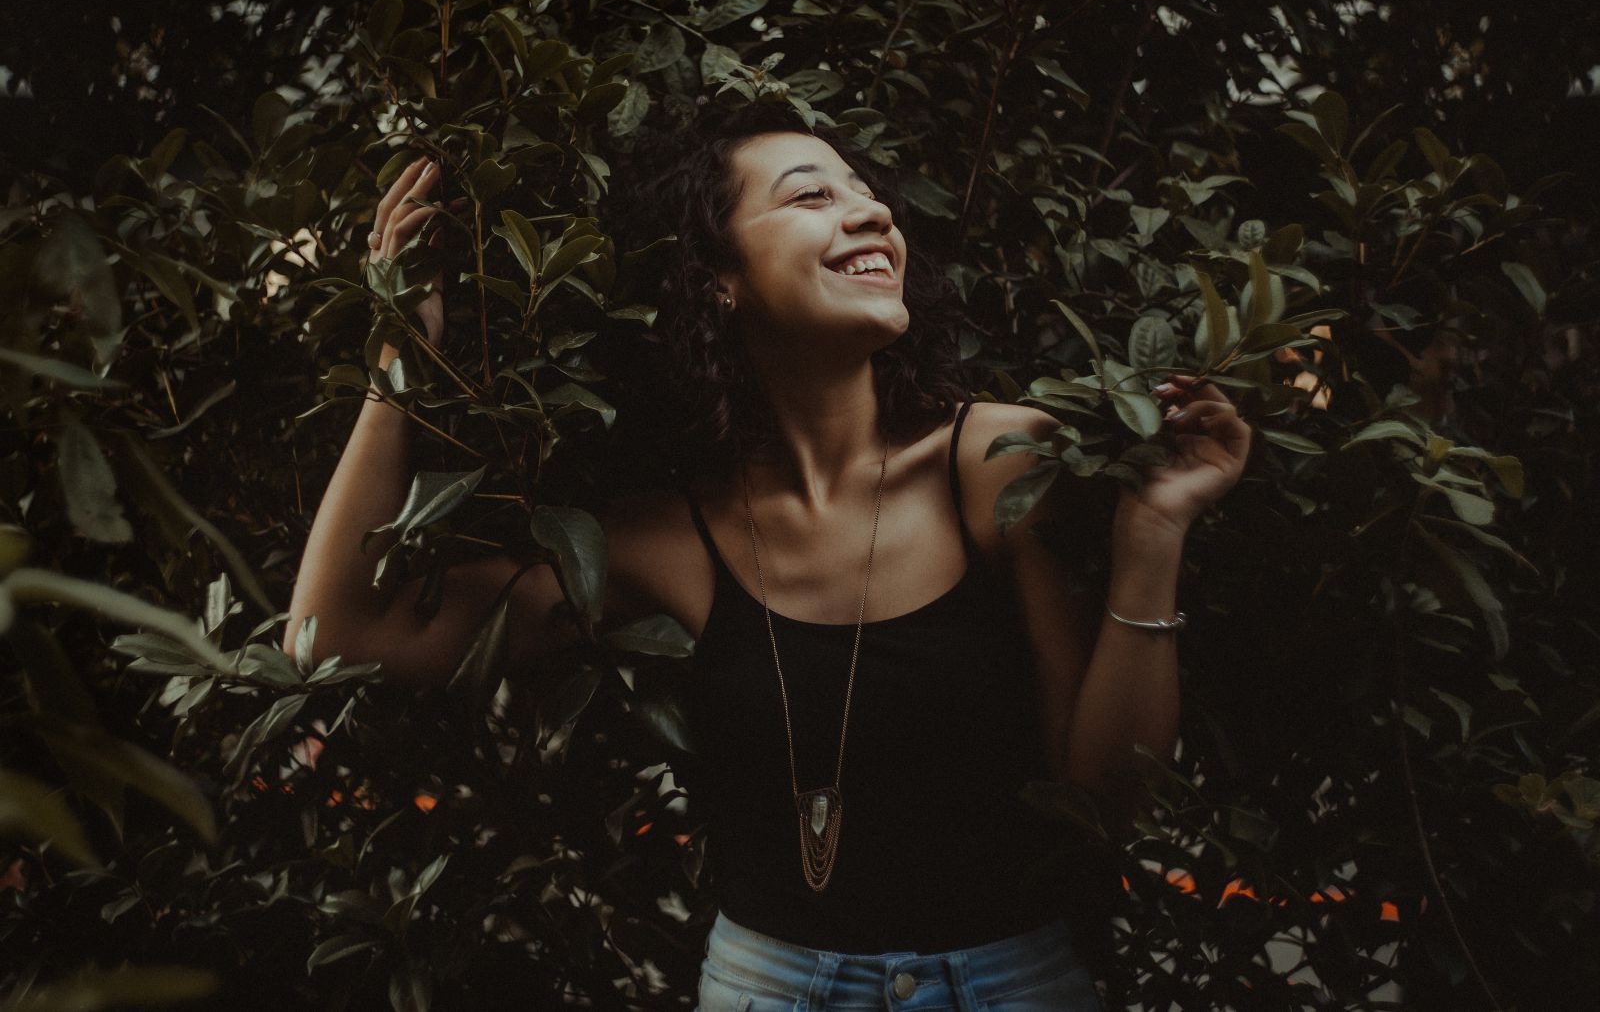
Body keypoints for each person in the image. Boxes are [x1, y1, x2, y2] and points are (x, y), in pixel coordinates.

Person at [284, 106, 1252, 1010]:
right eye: (809, 194)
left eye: (866, 192)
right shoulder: (670, 542)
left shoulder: (1000, 466)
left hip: (1012, 983)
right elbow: (335, 630)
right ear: (720, 275)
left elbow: (1103, 799)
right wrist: (398, 357)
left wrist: (1151, 540)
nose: (868, 209)